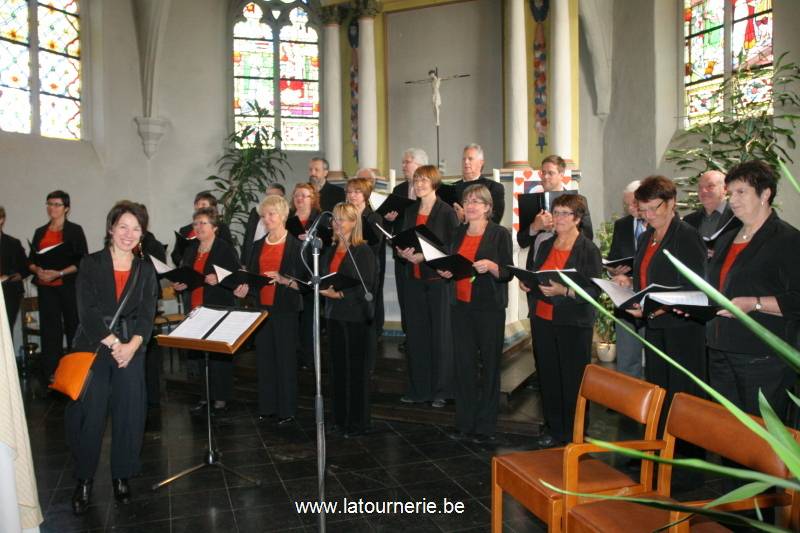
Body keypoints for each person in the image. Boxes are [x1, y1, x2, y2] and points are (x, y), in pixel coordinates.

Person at [66, 201, 159, 514]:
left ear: (142, 233)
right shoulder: (91, 263)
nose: (129, 234)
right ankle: (84, 480)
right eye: (123, 227)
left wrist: (131, 345)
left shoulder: (146, 269)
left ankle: (122, 475)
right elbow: (86, 310)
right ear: (110, 229)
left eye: (136, 228)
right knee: (90, 417)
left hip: (131, 348)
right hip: (95, 346)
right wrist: (113, 343)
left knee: (129, 414)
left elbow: (148, 313)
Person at [705, 160, 800, 421]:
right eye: (730, 193)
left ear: (765, 193)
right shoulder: (727, 237)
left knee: (761, 440)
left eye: (741, 192)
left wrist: (755, 303)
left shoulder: (788, 239)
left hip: (762, 356)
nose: (732, 200)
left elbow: (796, 300)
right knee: (728, 433)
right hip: (721, 348)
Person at [613, 176, 707, 409]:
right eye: (643, 210)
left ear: (671, 202)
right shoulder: (647, 237)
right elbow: (651, 277)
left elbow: (694, 288)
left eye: (654, 208)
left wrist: (652, 307)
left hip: (681, 330)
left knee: (681, 398)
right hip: (655, 326)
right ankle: (661, 443)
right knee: (660, 392)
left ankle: (682, 447)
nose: (648, 215)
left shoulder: (685, 235)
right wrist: (630, 283)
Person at [520, 194, 602, 447]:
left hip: (573, 323)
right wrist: (528, 283)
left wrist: (564, 291)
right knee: (548, 376)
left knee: (573, 380)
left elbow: (595, 292)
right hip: (543, 320)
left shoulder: (588, 249)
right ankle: (554, 429)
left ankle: (575, 434)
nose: (559, 218)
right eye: (556, 213)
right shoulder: (545, 244)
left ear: (577, 218)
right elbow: (538, 277)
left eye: (565, 213)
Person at [436, 185, 512, 443]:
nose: (470, 205)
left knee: (490, 366)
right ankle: (465, 422)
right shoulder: (458, 233)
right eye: (467, 201)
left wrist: (491, 266)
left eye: (477, 201)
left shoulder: (499, 234)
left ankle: (486, 426)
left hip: (488, 308)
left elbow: (507, 273)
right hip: (461, 306)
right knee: (464, 365)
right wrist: (445, 270)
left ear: (488, 207)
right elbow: (451, 264)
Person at [234, 196, 304, 423]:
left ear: (283, 215)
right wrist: (245, 290)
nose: (267, 219)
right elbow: (252, 278)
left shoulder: (296, 246)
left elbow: (303, 283)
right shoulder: (257, 245)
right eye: (264, 215)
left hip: (285, 309)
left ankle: (287, 409)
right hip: (262, 309)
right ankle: (267, 406)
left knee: (285, 360)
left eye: (271, 214)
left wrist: (284, 280)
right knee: (264, 359)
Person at [396, 165, 459, 408]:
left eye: (423, 180)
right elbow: (402, 240)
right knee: (416, 337)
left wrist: (425, 258)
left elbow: (452, 247)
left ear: (434, 182)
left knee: (440, 338)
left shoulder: (446, 212)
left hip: (436, 281)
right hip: (412, 280)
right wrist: (403, 252)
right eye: (416, 180)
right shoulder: (410, 210)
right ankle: (419, 389)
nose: (419, 184)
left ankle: (442, 390)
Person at [172, 207, 240, 413]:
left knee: (218, 355)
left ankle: (221, 396)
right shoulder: (191, 249)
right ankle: (205, 394)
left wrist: (219, 279)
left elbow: (236, 277)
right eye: (196, 224)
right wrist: (181, 284)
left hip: (217, 305)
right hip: (196, 306)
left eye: (203, 223)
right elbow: (187, 275)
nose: (199, 227)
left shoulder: (224, 249)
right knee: (200, 354)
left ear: (215, 228)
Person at [321, 202, 377, 437]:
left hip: (355, 317)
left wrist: (341, 293)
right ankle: (339, 420)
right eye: (334, 219)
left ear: (354, 223)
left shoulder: (362, 251)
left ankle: (357, 422)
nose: (336, 224)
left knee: (355, 370)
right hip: (333, 315)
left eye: (342, 219)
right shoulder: (329, 250)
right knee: (337, 369)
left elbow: (367, 284)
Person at [28, 190, 88, 380]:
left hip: (68, 286)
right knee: (49, 330)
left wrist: (59, 272)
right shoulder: (40, 231)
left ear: (66, 208)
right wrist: (37, 270)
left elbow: (82, 261)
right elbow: (30, 260)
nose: (51, 208)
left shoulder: (75, 230)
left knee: (73, 327)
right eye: (49, 204)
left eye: (56, 204)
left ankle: (75, 372)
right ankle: (51, 373)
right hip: (46, 287)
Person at [384, 148, 429, 350]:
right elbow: (388, 226)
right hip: (402, 254)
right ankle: (409, 335)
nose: (403, 166)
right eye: (403, 162)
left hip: (422, 255)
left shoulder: (430, 192)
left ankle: (424, 335)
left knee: (422, 298)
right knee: (404, 297)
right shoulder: (399, 190)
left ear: (420, 166)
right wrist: (389, 221)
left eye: (407, 162)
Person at [517, 155, 593, 266]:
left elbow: (588, 235)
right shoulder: (530, 201)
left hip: (567, 263)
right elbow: (522, 242)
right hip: (537, 265)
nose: (545, 176)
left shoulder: (578, 200)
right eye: (543, 172)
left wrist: (557, 228)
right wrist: (534, 227)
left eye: (550, 173)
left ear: (561, 175)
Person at [606, 180, 646, 378]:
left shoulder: (659, 224)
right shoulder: (622, 225)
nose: (630, 208)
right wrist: (613, 271)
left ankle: (656, 404)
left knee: (657, 356)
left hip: (651, 296)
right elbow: (613, 257)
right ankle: (628, 400)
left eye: (634, 203)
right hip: (625, 295)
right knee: (627, 355)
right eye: (626, 204)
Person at [288, 183, 329, 369]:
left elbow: (329, 246)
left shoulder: (320, 220)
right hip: (292, 273)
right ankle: (294, 356)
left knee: (310, 318)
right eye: (297, 195)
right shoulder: (287, 220)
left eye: (305, 195)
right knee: (293, 318)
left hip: (313, 273)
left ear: (313, 199)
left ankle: (310, 358)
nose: (300, 199)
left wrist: (314, 241)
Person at [347, 177, 385, 343]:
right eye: (349, 192)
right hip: (348, 266)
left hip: (367, 267)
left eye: (357, 191)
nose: (352, 195)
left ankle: (370, 340)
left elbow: (375, 246)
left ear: (366, 194)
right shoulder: (344, 215)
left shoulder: (374, 217)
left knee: (367, 305)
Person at [170, 191, 234, 267]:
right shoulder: (184, 230)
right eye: (197, 204)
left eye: (203, 204)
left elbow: (228, 254)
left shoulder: (221, 227)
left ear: (212, 208)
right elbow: (175, 254)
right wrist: (183, 263)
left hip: (211, 271)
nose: (199, 207)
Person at [452, 144, 505, 223]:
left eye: (470, 159)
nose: (466, 162)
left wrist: (466, 217)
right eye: (464, 159)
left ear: (481, 163)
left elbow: (494, 220)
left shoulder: (493, 187)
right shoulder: (451, 188)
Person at [683, 169, 739, 239]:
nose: (703, 191)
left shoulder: (738, 218)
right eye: (700, 187)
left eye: (710, 186)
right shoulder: (688, 221)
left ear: (725, 189)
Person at [240, 183, 287, 268]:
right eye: (267, 195)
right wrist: (243, 263)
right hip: (251, 260)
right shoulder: (255, 212)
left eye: (273, 196)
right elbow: (247, 236)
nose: (266, 219)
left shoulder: (292, 242)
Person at [0, 206, 29, 332]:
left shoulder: (13, 243)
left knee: (5, 331)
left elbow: (25, 269)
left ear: (1, 220)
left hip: (8, 292)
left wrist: (11, 276)